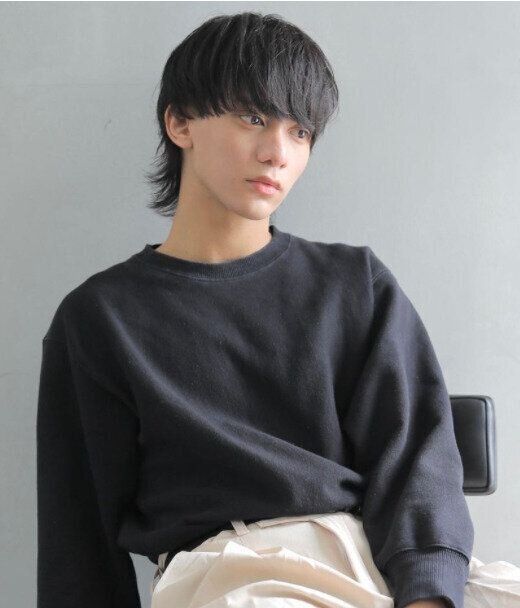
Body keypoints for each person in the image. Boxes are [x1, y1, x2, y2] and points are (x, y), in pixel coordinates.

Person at [36, 11, 520, 608]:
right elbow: (78, 538)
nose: (277, 153)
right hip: (238, 572)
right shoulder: (101, 319)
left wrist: (428, 595)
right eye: (254, 118)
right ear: (180, 122)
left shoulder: (354, 284)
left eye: (300, 132)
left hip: (378, 559)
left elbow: (417, 457)